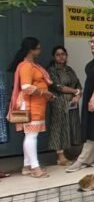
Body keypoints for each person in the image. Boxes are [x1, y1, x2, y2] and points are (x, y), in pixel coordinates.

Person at [7, 37, 55, 178]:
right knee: (31, 136)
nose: (40, 50)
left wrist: (45, 94)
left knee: (30, 135)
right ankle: (35, 168)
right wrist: (44, 93)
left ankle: (27, 167)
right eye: (38, 48)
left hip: (36, 105)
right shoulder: (26, 66)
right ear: (31, 50)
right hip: (30, 105)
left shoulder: (32, 65)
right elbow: (26, 87)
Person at [66, 33, 94, 173]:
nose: (92, 44)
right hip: (93, 99)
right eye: (91, 42)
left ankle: (84, 159)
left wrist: (92, 100)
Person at [46, 46, 82, 165]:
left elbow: (78, 85)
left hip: (72, 104)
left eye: (63, 54)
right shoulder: (51, 70)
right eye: (58, 54)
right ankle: (60, 156)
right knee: (59, 128)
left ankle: (69, 153)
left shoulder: (69, 69)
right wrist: (75, 91)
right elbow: (58, 87)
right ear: (53, 57)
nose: (61, 56)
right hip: (59, 103)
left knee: (71, 127)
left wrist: (77, 96)